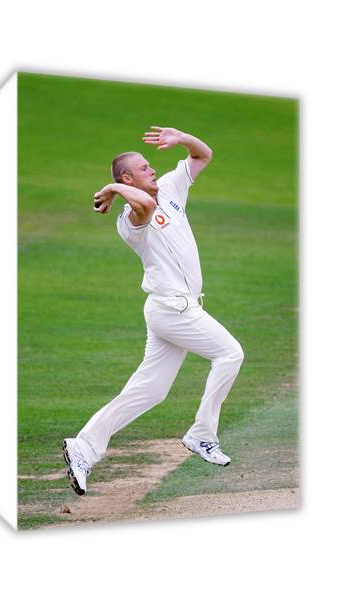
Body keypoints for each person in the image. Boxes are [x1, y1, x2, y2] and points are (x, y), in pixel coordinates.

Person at [63, 126, 244, 496]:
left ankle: (83, 447)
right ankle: (201, 435)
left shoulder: (172, 190)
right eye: (144, 169)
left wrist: (182, 137)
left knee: (150, 391)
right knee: (230, 354)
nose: (153, 171)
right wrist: (113, 189)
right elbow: (143, 205)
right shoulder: (130, 219)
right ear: (127, 178)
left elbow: (202, 155)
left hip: (174, 309)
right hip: (172, 309)